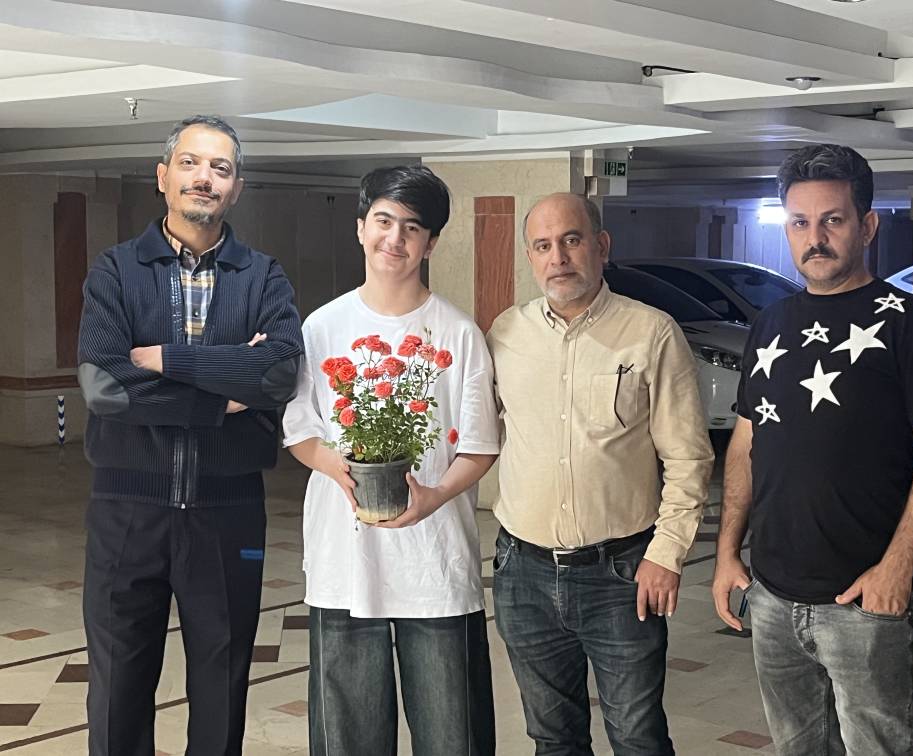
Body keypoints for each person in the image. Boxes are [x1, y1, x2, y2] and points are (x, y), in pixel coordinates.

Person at [712, 143, 913, 755]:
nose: (815, 238)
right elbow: (745, 446)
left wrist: (897, 569)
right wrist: (726, 553)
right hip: (773, 594)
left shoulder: (912, 323)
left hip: (864, 600)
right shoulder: (770, 325)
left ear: (867, 225)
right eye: (800, 222)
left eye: (833, 220)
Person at [78, 115, 304, 755]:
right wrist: (224, 396)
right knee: (118, 687)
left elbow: (279, 373)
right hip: (127, 511)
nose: (205, 177)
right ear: (163, 176)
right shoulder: (116, 271)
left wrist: (164, 360)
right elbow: (105, 387)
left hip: (229, 513)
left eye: (220, 168)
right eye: (190, 163)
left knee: (222, 680)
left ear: (236, 188)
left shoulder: (263, 277)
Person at [282, 165, 499, 756]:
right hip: (343, 560)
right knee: (346, 736)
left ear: (431, 243)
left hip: (435, 564)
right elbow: (300, 432)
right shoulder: (321, 327)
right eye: (383, 221)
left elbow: (479, 445)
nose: (394, 238)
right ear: (360, 228)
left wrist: (434, 496)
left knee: (453, 734)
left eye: (412, 227)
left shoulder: (457, 332)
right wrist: (340, 469)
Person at [486, 192, 714, 756]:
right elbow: (478, 434)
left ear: (601, 245)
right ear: (530, 257)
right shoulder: (506, 334)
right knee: (552, 739)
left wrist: (667, 555)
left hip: (622, 575)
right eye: (543, 246)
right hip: (523, 573)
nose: (558, 257)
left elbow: (688, 458)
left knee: (637, 737)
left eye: (571, 240)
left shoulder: (651, 333)